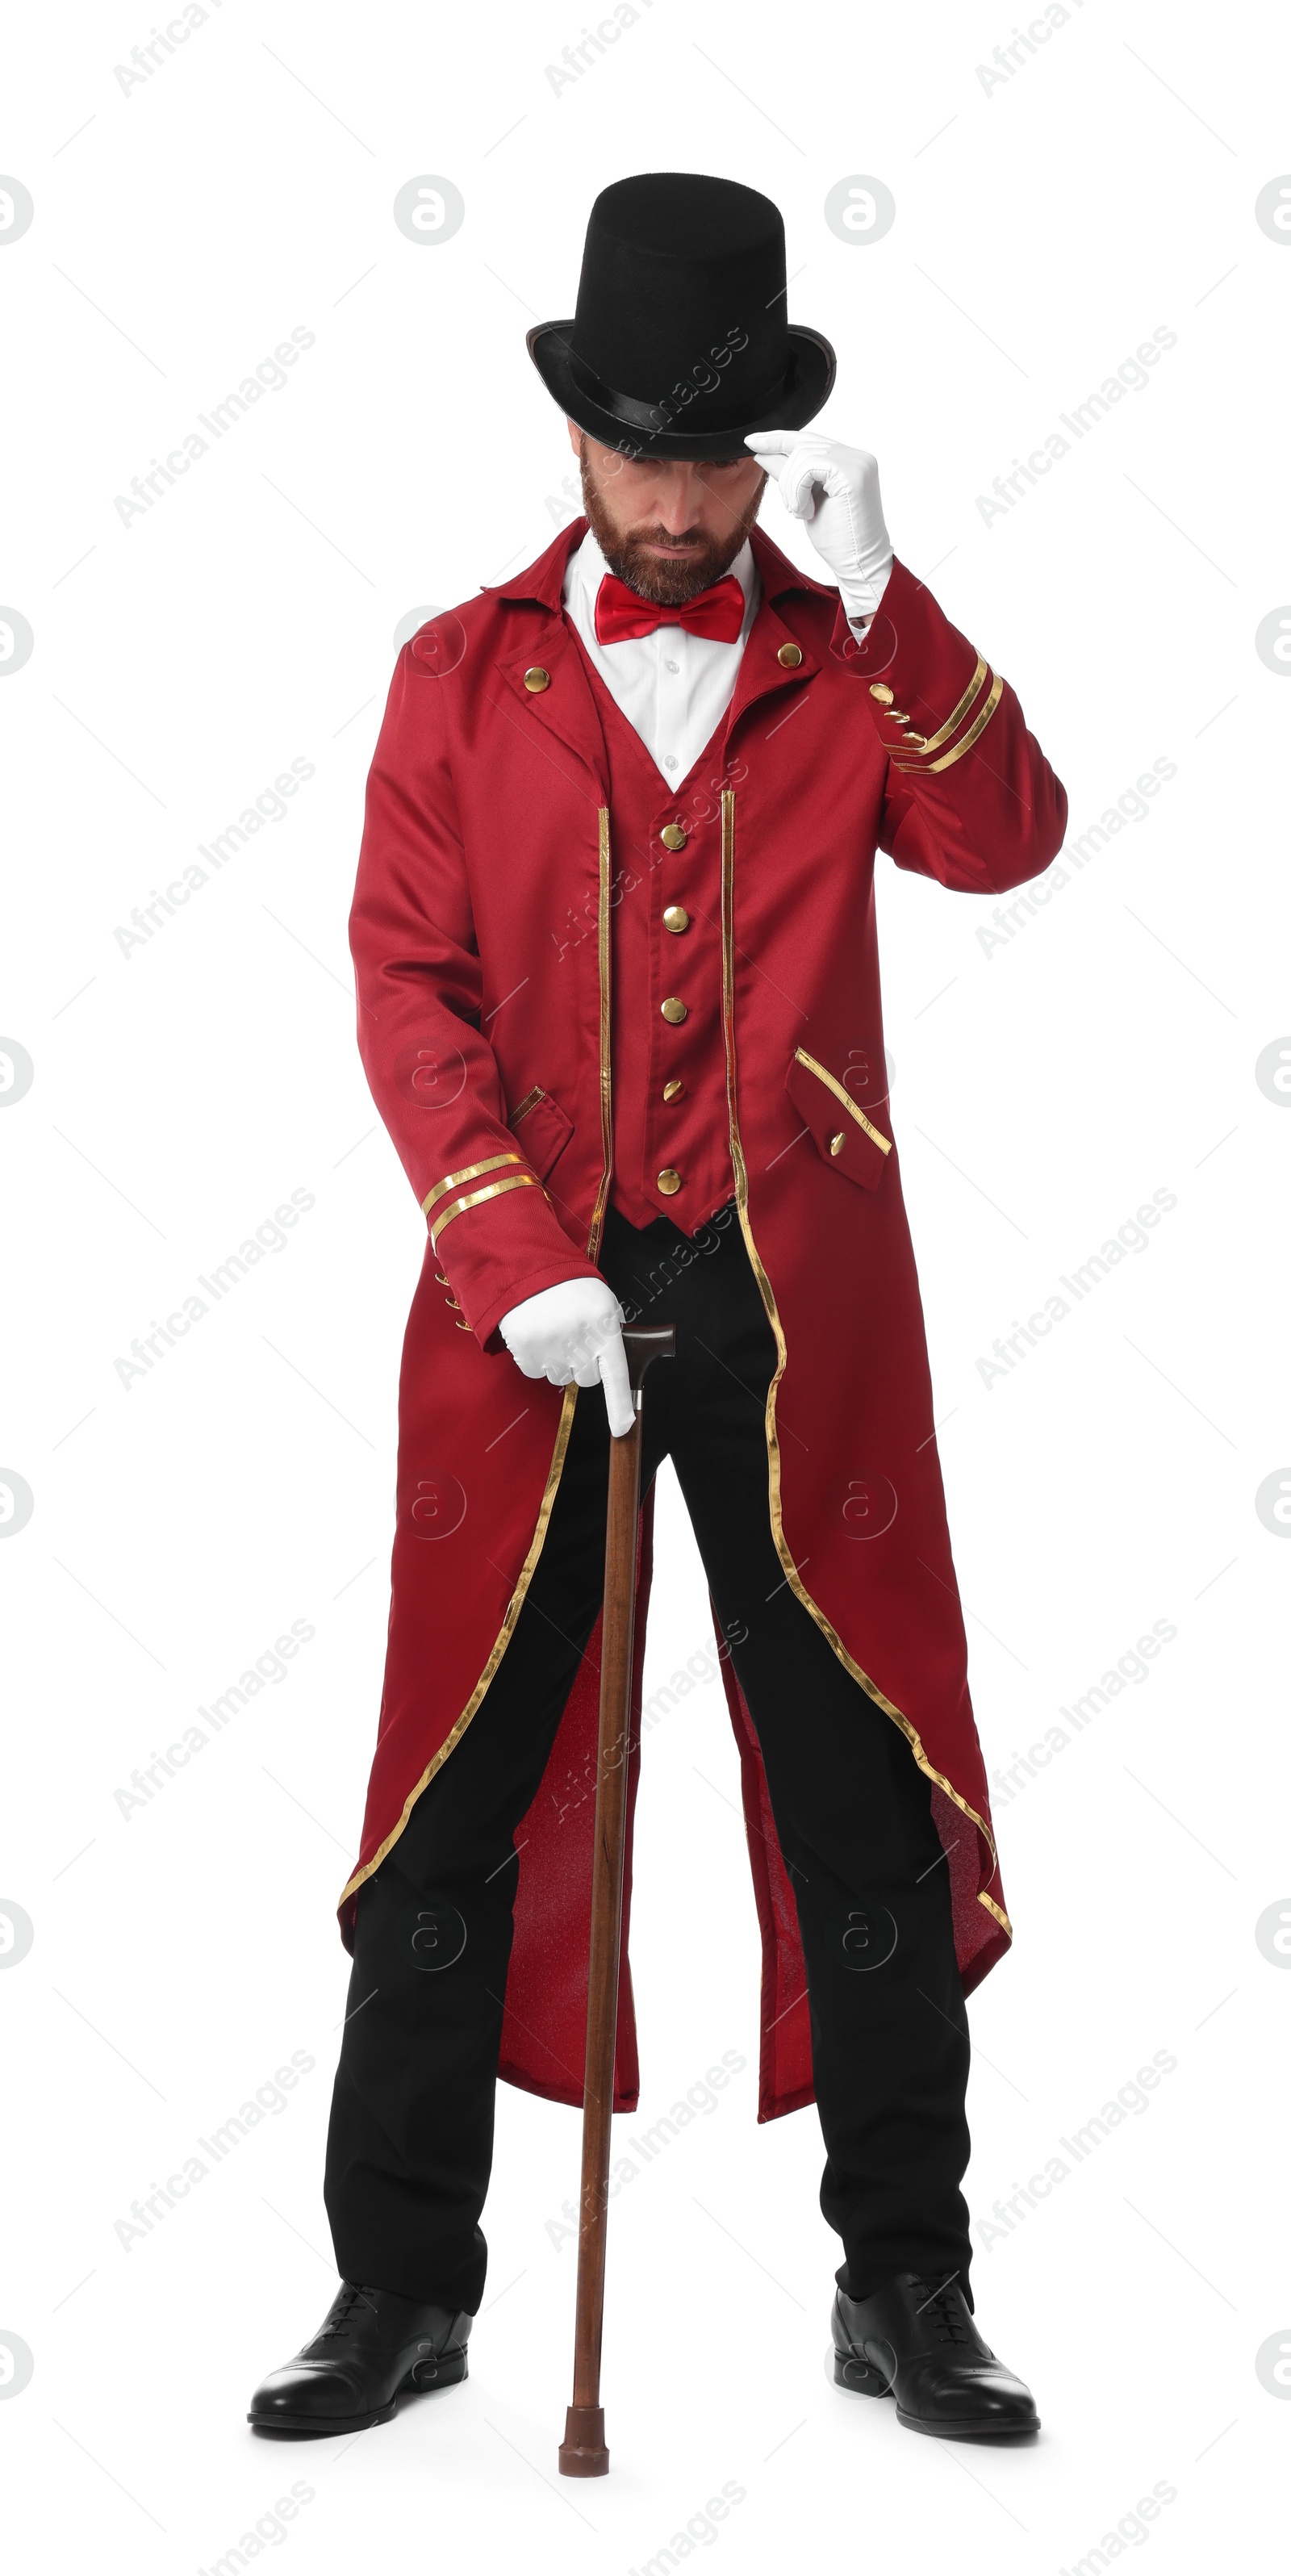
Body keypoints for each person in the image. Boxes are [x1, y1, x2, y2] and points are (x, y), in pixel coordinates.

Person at [249, 170, 1067, 2447]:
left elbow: (1012, 833)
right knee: (449, 1801)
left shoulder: (839, 657)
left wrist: (896, 605)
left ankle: (909, 2281)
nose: (688, 499)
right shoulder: (458, 674)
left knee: (865, 1798)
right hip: (530, 1331)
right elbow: (406, 988)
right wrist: (514, 1265)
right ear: (579, 437)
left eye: (723, 461)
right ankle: (398, 2287)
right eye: (649, 453)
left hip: (798, 1318)